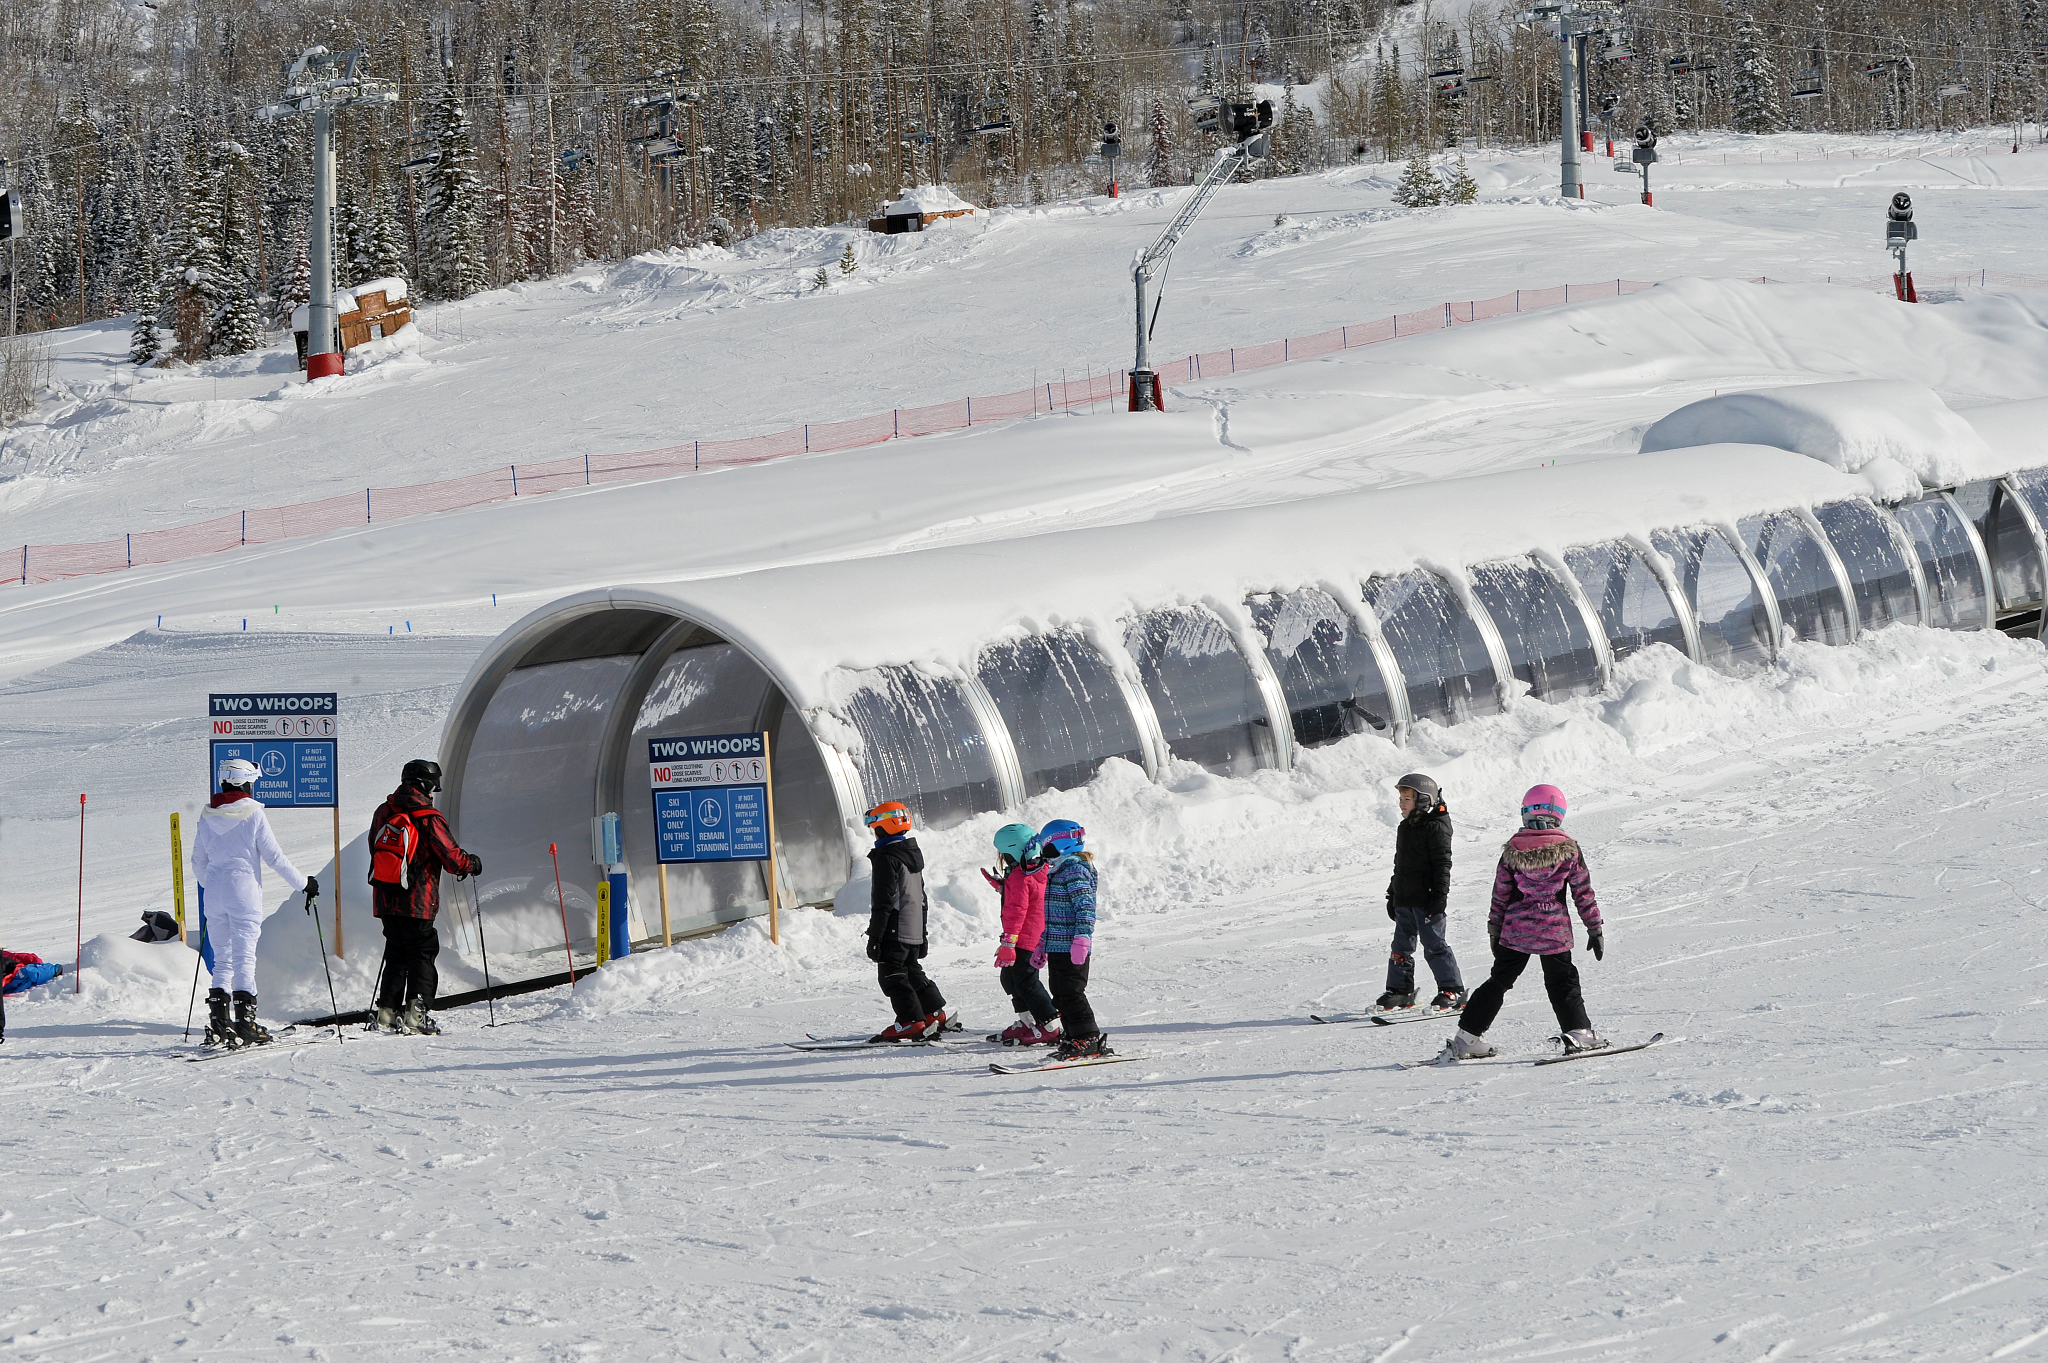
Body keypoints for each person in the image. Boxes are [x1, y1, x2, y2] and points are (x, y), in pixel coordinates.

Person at [1445, 783, 1605, 1061]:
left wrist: (1495, 928)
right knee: (1562, 981)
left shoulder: (1513, 850)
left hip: (1516, 929)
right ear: (1559, 813)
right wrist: (1594, 928)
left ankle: (1466, 1038)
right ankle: (1579, 1032)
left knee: (1499, 980)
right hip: (1553, 931)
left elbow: (1500, 894)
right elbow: (1583, 891)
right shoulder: (1569, 850)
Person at [191, 757, 316, 1047]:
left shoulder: (207, 816)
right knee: (244, 956)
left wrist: (212, 884)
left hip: (215, 891)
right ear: (245, 782)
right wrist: (304, 884)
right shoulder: (253, 814)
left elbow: (198, 861)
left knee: (222, 957)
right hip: (243, 890)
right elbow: (275, 858)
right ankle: (246, 1024)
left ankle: (219, 1021)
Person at [367, 758, 480, 1035]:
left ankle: (387, 1013)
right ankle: (417, 1014)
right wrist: (472, 864)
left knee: (395, 953)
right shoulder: (428, 816)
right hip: (418, 901)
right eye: (432, 788)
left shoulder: (384, 810)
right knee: (422, 953)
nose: (433, 793)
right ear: (425, 785)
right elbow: (452, 858)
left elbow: (374, 845)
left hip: (386, 897)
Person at [865, 801, 949, 1042]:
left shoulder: (886, 857)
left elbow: (884, 901)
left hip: (894, 925)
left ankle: (910, 1021)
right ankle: (933, 1012)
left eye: (874, 826)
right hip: (912, 925)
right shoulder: (910, 852)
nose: (873, 831)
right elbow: (920, 896)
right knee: (911, 970)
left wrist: (875, 936)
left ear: (883, 827)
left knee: (891, 973)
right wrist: (921, 933)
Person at [1379, 773, 1464, 1013]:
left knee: (1434, 944)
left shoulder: (1436, 827)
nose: (1401, 803)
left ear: (1424, 800)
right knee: (1400, 947)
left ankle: (1453, 990)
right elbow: (1400, 865)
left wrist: (1440, 895)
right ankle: (1400, 991)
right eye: (1401, 798)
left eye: (1407, 798)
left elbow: (1442, 864)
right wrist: (1392, 894)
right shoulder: (1405, 827)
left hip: (1427, 898)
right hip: (1405, 897)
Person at [1037, 819, 1111, 1061]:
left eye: (1046, 849)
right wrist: (1041, 943)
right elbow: (1050, 911)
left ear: (1061, 846)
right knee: (1059, 993)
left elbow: (1085, 907)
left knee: (1072, 992)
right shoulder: (1057, 870)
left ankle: (1088, 1036)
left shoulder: (1075, 869)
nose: (1043, 855)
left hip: (1073, 946)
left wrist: (1082, 938)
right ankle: (1072, 1035)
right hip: (1057, 945)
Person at [982, 822, 1057, 1046]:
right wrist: (1004, 887)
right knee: (1011, 978)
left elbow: (1017, 910)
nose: (1002, 858)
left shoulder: (1019, 876)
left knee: (1025, 981)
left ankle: (1050, 1024)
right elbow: (1028, 896)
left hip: (1024, 938)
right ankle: (1028, 1019)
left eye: (1003, 854)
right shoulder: (1037, 869)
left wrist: (1008, 942)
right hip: (1032, 935)